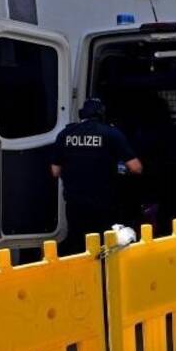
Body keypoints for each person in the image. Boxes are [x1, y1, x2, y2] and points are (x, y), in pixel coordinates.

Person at [51, 98, 143, 254]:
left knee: (79, 247)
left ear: (82, 114)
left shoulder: (65, 134)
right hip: (104, 204)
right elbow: (136, 168)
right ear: (102, 114)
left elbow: (55, 171)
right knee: (105, 246)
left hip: (75, 205)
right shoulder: (111, 134)